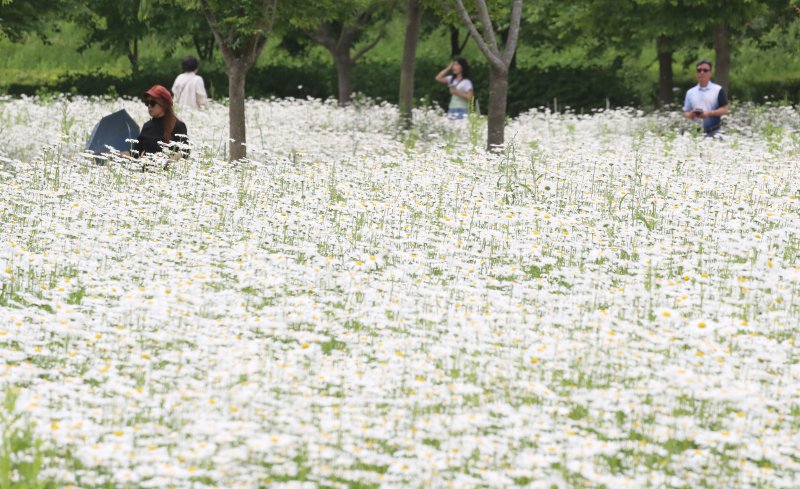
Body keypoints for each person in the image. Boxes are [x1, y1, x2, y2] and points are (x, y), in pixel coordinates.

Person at [123, 85, 189, 158]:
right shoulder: (147, 126)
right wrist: (119, 154)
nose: (149, 106)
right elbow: (136, 151)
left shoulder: (177, 126)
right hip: (146, 168)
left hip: (166, 168)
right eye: (147, 102)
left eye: (152, 103)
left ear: (163, 104)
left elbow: (185, 152)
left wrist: (170, 161)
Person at [683, 60, 729, 137]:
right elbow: (686, 112)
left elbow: (725, 109)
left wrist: (708, 113)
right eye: (699, 70)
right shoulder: (690, 92)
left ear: (710, 73)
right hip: (695, 133)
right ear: (696, 73)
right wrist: (691, 115)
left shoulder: (718, 90)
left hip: (714, 131)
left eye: (705, 70)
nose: (702, 73)